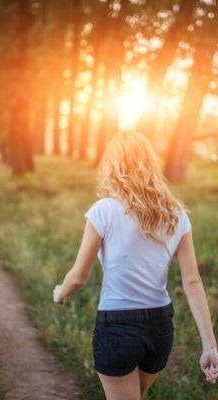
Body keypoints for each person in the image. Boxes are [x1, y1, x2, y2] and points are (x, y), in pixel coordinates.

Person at [53, 131, 218, 400]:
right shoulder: (176, 214)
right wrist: (209, 345)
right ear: (151, 163)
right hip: (160, 326)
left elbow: (78, 278)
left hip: (117, 326)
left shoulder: (103, 211)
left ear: (112, 166)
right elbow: (192, 282)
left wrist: (60, 292)